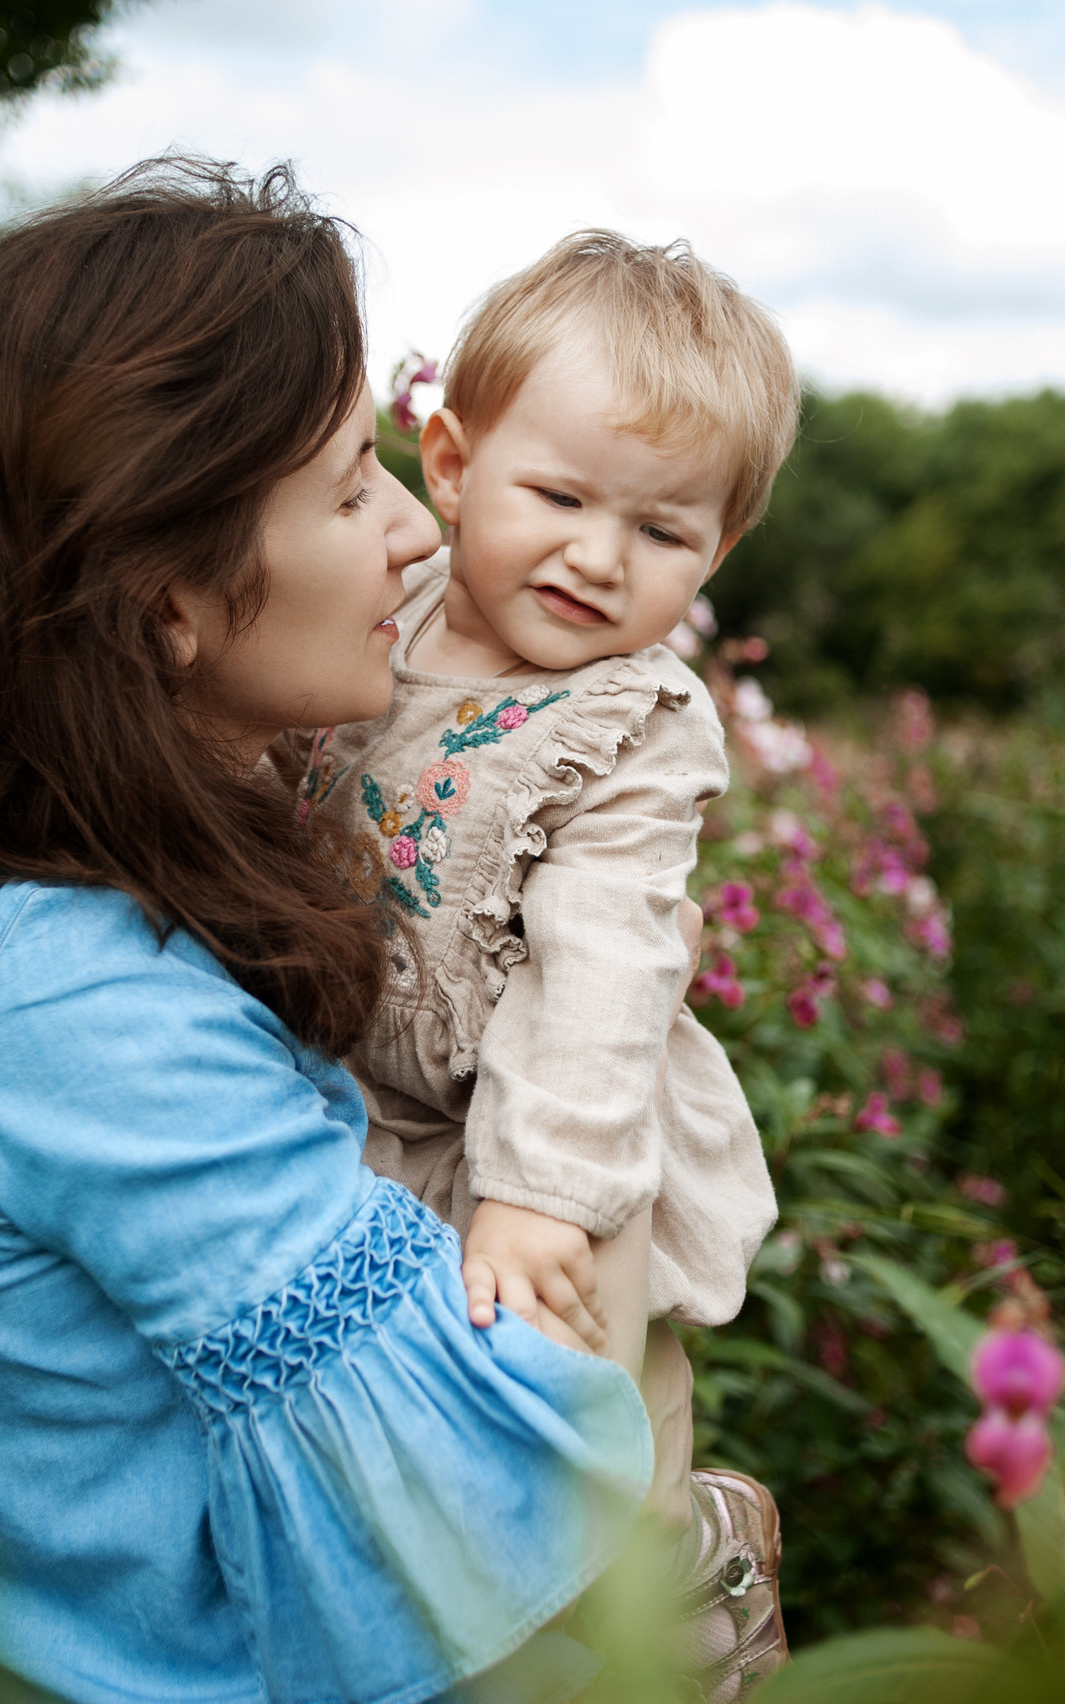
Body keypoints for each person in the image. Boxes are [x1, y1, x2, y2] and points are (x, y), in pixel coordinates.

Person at [0, 160, 658, 1703]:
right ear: (166, 599)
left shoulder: (56, 911)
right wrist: (713, 1531)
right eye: (348, 485)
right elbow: (475, 1505)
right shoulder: (68, 1001)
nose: (422, 535)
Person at [296, 230, 799, 1688]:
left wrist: (539, 1201)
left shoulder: (631, 724)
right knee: (391, 1467)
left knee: (579, 1432)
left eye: (661, 531)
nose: (596, 556)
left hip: (551, 1129)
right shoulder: (367, 615)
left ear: (719, 553)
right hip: (363, 1108)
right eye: (560, 496)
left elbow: (603, 975)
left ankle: (695, 1582)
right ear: (448, 464)